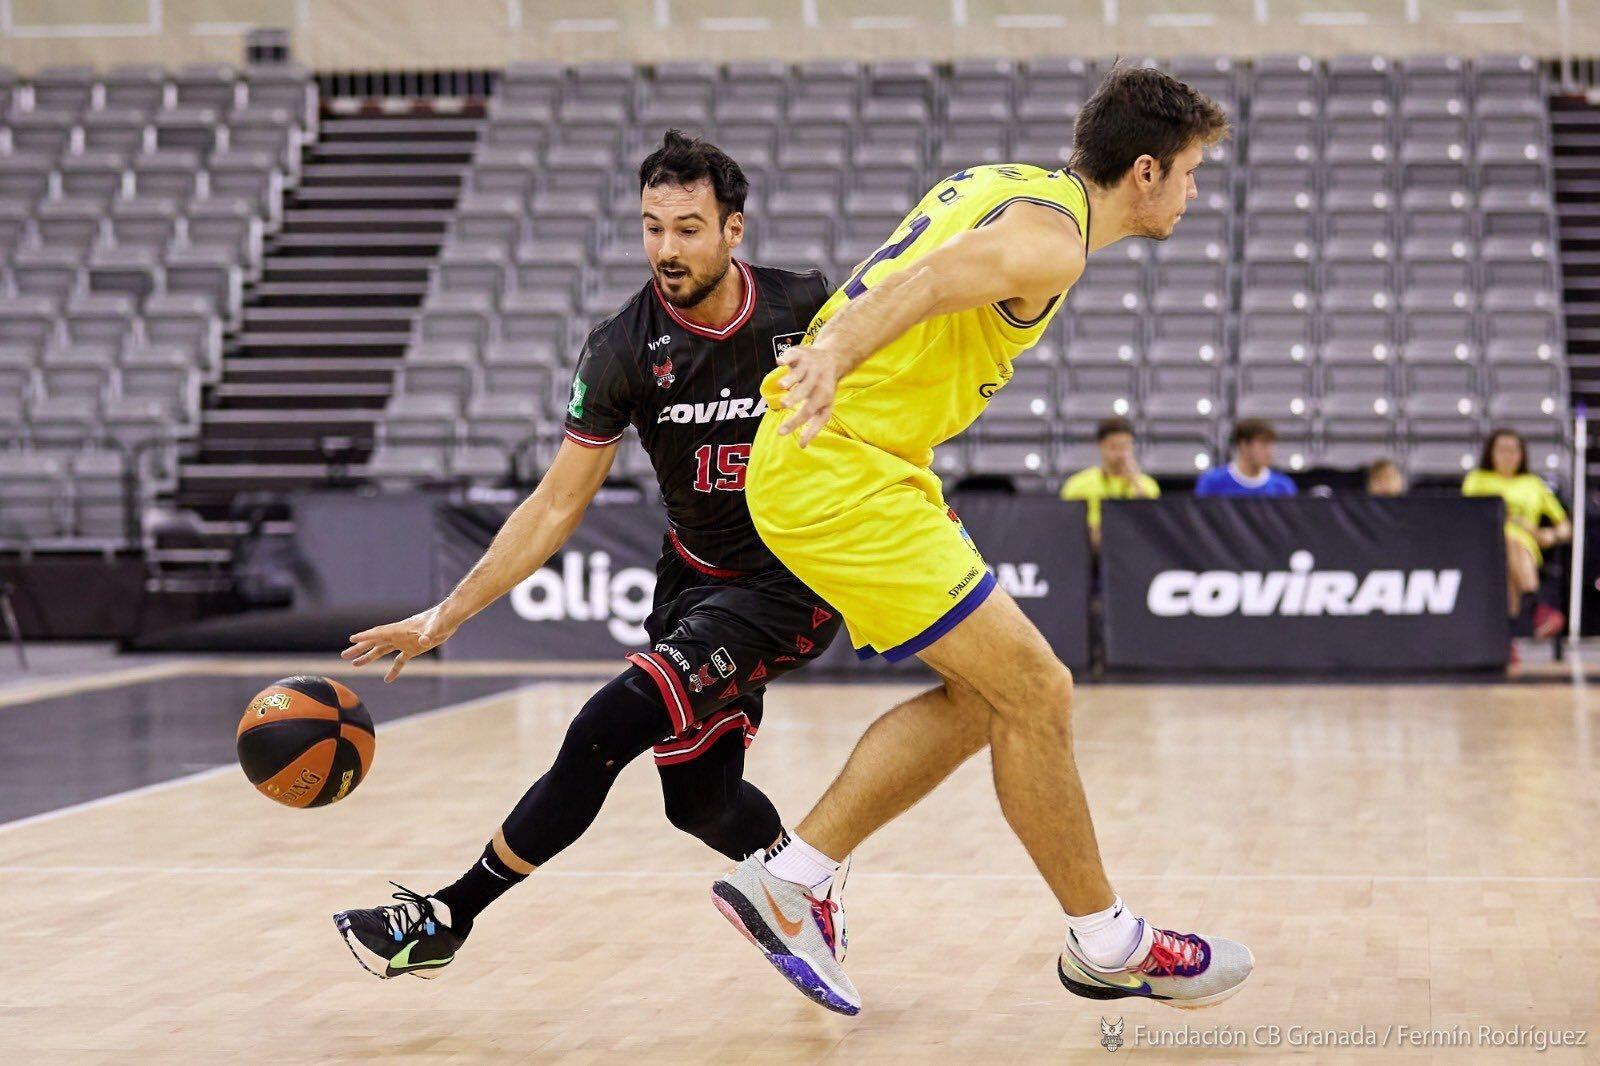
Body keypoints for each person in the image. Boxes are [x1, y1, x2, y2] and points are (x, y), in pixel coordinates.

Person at [709, 66, 1252, 1016]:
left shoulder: (1003, 181)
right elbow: (933, 278)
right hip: (835, 464)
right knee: (1038, 687)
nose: (1197, 192)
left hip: (859, 464)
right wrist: (833, 355)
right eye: (1193, 171)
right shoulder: (1055, 244)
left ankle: (794, 875)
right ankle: (1108, 940)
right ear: (1146, 172)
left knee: (987, 696)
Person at [329, 131, 841, 979]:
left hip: (793, 580)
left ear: (734, 230)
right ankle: (801, 885)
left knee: (606, 726)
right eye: (651, 228)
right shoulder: (622, 349)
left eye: (686, 228)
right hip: (695, 581)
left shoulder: (805, 307)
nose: (666, 249)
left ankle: (447, 917)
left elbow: (894, 410)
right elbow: (555, 506)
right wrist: (442, 616)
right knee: (698, 803)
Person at [1462, 428, 1571, 650]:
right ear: (1490, 453)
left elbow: (1565, 527)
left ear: (1522, 455)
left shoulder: (1533, 483)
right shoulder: (1477, 480)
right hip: (1484, 544)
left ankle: (1506, 641)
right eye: (1502, 450)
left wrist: (1551, 534)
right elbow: (1466, 514)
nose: (1508, 455)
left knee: (1510, 549)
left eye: (1514, 450)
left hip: (1526, 546)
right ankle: (1537, 606)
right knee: (1506, 548)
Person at [1060, 416, 1160, 550]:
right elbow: (1065, 525)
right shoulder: (1077, 484)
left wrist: (1136, 482)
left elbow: (1155, 525)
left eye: (1125, 447)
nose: (1121, 454)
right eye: (1114, 447)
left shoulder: (1147, 485)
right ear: (1100, 445)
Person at [1194, 419, 1297, 497]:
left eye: (1271, 445)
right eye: (1263, 444)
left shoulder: (1282, 486)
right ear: (1244, 445)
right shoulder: (1212, 482)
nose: (1270, 451)